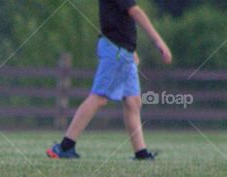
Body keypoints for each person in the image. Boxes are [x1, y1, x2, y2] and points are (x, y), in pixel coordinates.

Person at [47, 1, 172, 161]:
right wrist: (158, 41)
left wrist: (131, 49)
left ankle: (141, 154)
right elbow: (135, 12)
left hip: (123, 51)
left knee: (133, 102)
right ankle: (64, 147)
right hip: (117, 51)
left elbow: (117, 19)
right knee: (99, 97)